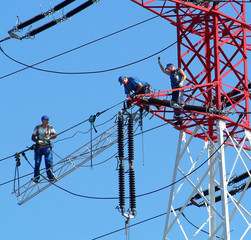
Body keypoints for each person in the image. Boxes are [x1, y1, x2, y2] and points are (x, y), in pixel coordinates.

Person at [31, 115, 57, 183]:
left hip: (47, 147)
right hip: (39, 148)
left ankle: (50, 176)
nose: (47, 121)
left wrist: (50, 137)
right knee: (37, 163)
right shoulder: (37, 128)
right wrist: (37, 141)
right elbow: (33, 137)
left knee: (48, 162)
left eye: (48, 120)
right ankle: (36, 177)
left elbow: (55, 135)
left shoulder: (50, 127)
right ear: (42, 121)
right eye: (46, 120)